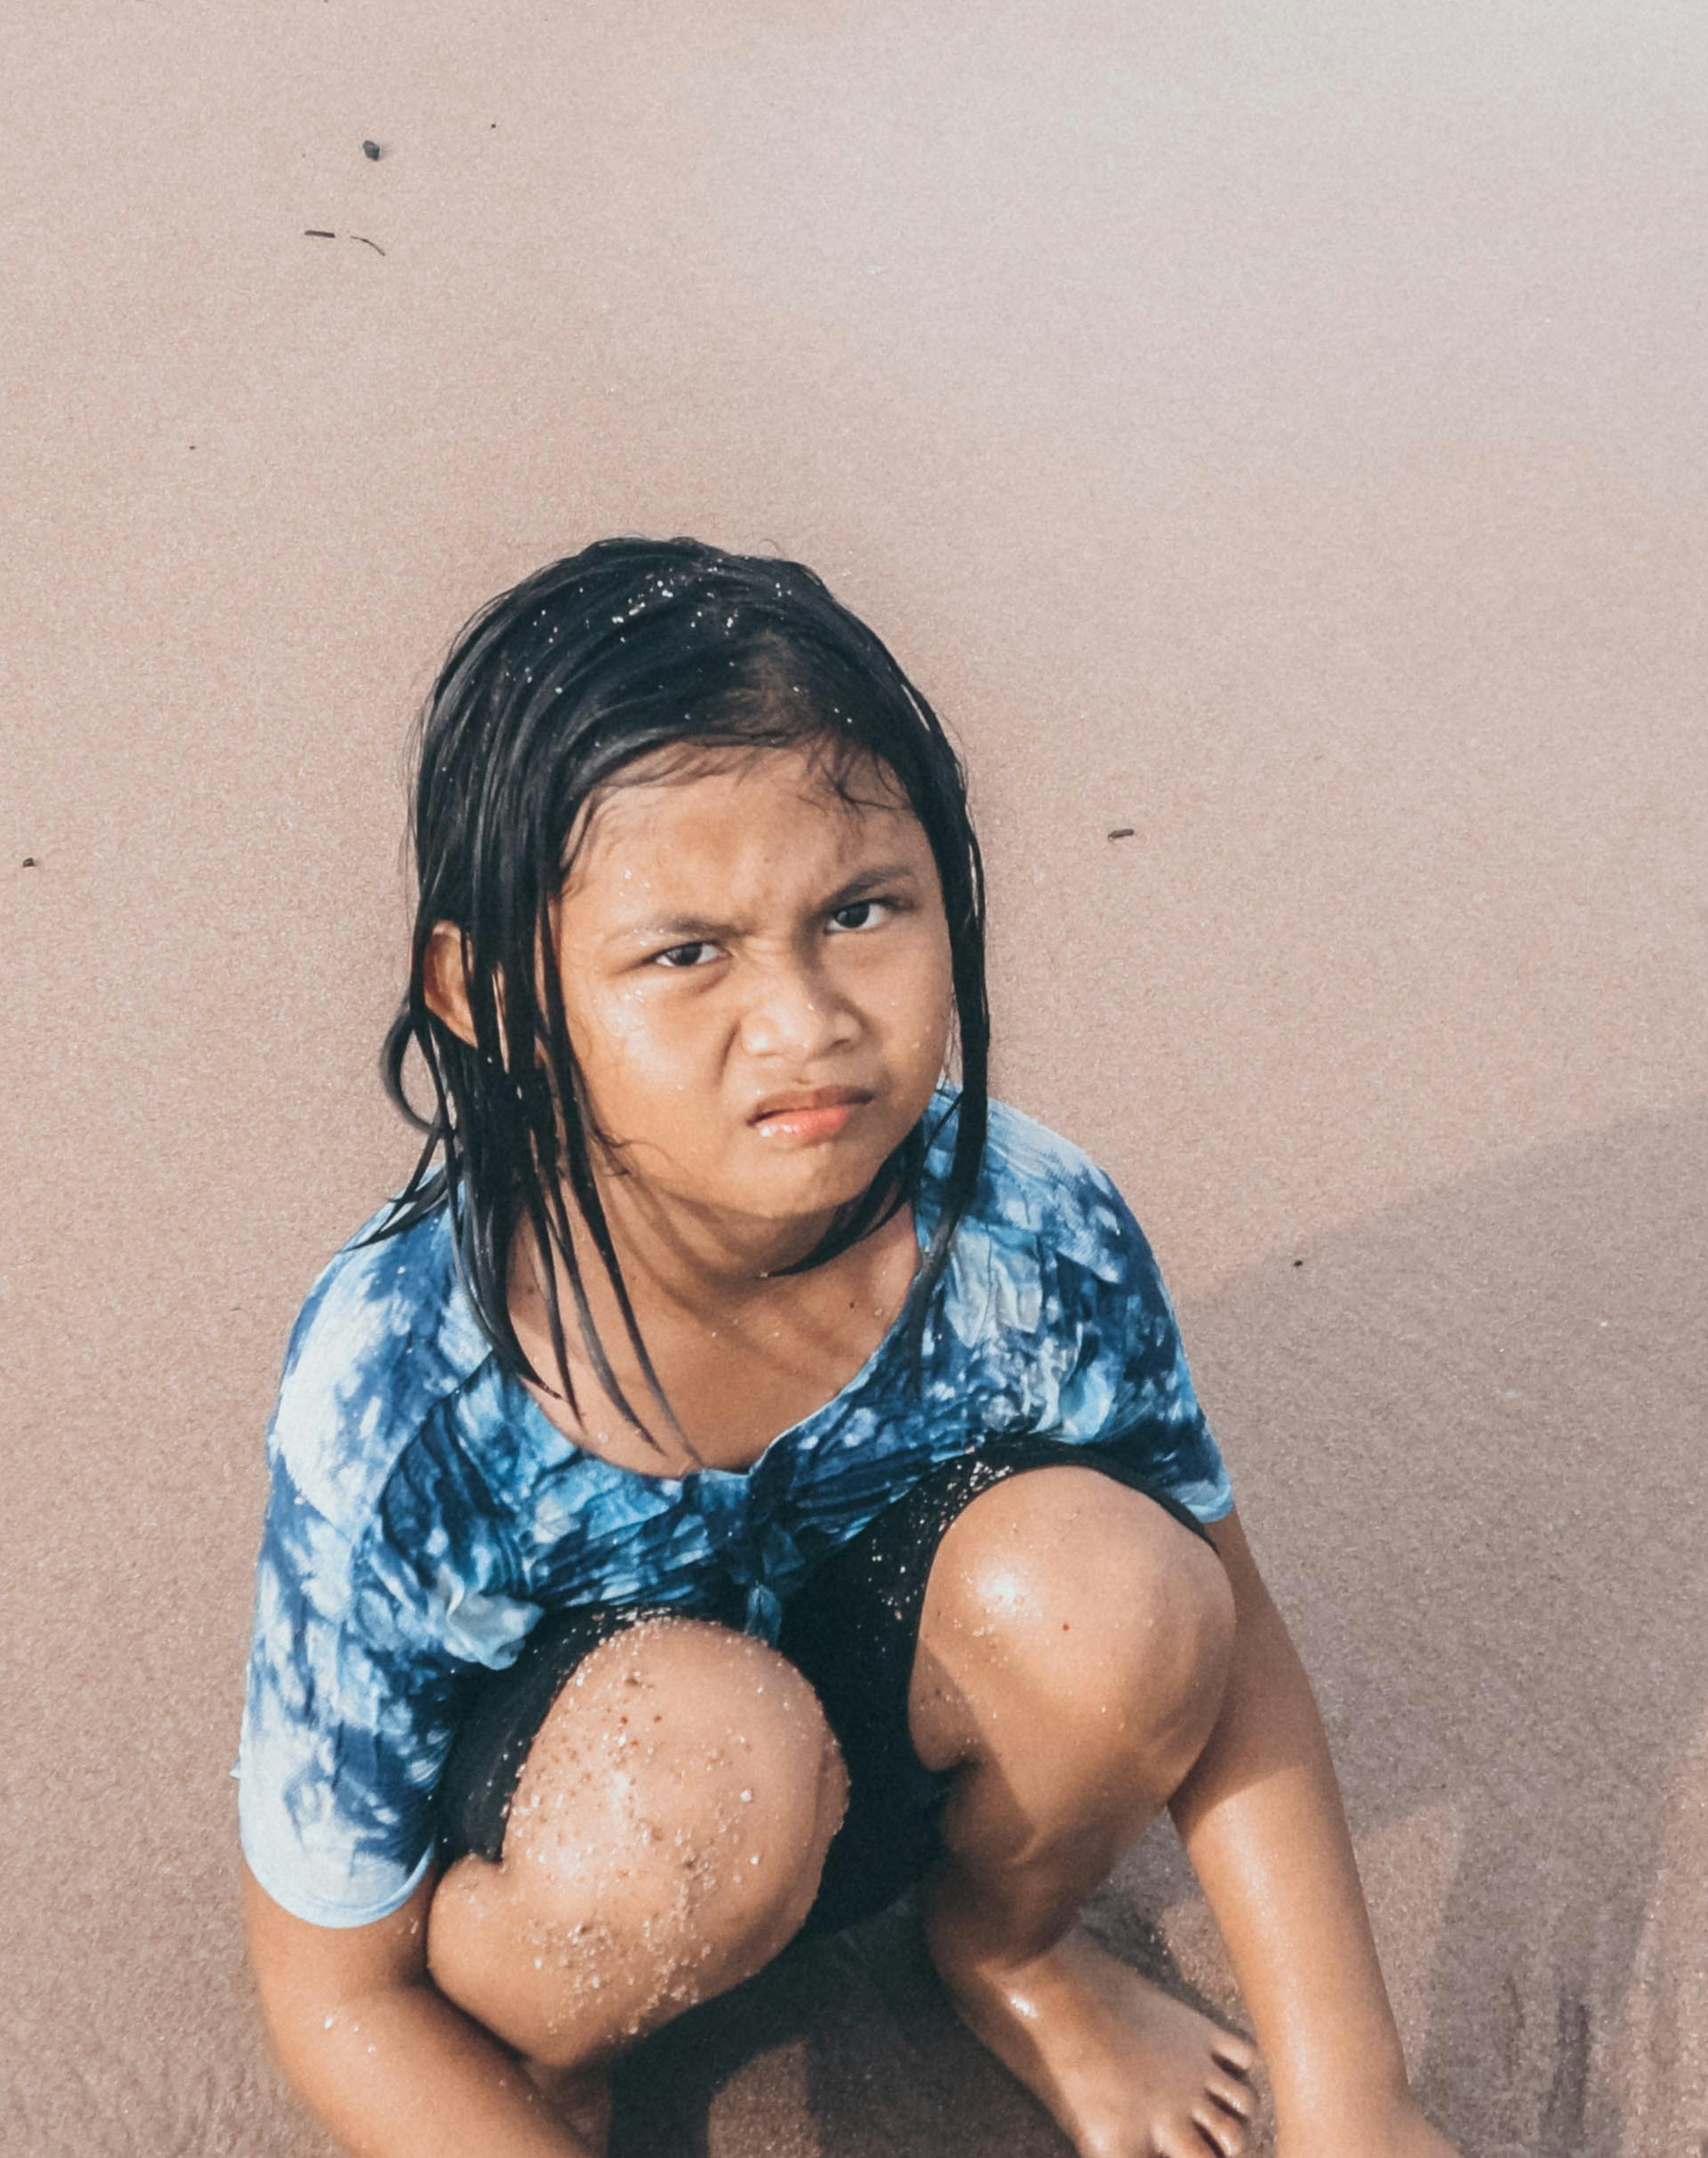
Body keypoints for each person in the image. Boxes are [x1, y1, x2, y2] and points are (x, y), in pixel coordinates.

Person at [235, 538, 1457, 2158]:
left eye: (861, 910)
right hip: (594, 1840)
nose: (807, 1022)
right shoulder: (409, 1383)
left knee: (1138, 1595)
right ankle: (540, 2066)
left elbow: (1241, 1668)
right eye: (687, 952)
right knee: (697, 1771)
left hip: (876, 1753)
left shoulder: (1027, 1233)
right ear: (488, 992)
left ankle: (1007, 1951)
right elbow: (332, 1987)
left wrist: (1354, 2107)